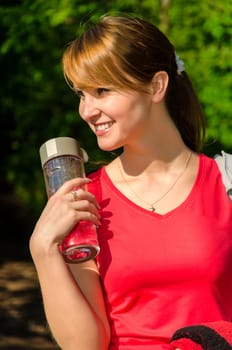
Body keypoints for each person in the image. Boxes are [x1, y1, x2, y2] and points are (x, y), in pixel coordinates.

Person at [29, 15, 232, 350]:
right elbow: (85, 345)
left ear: (156, 86)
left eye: (102, 91)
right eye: (82, 94)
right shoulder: (83, 199)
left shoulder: (226, 184)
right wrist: (43, 250)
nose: (86, 110)